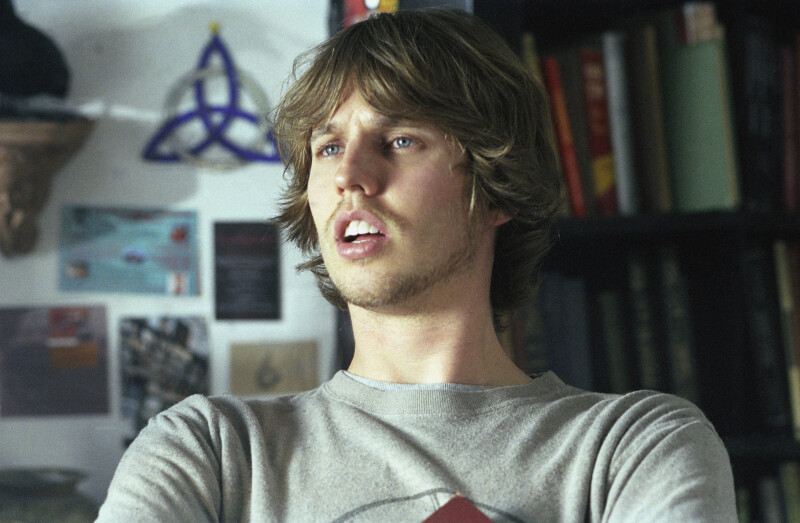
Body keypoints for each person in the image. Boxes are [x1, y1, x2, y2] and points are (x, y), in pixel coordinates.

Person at [97, 8, 737, 521]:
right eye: (328, 147)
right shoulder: (210, 451)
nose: (349, 176)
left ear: (495, 190)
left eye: (400, 140)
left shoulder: (631, 447)